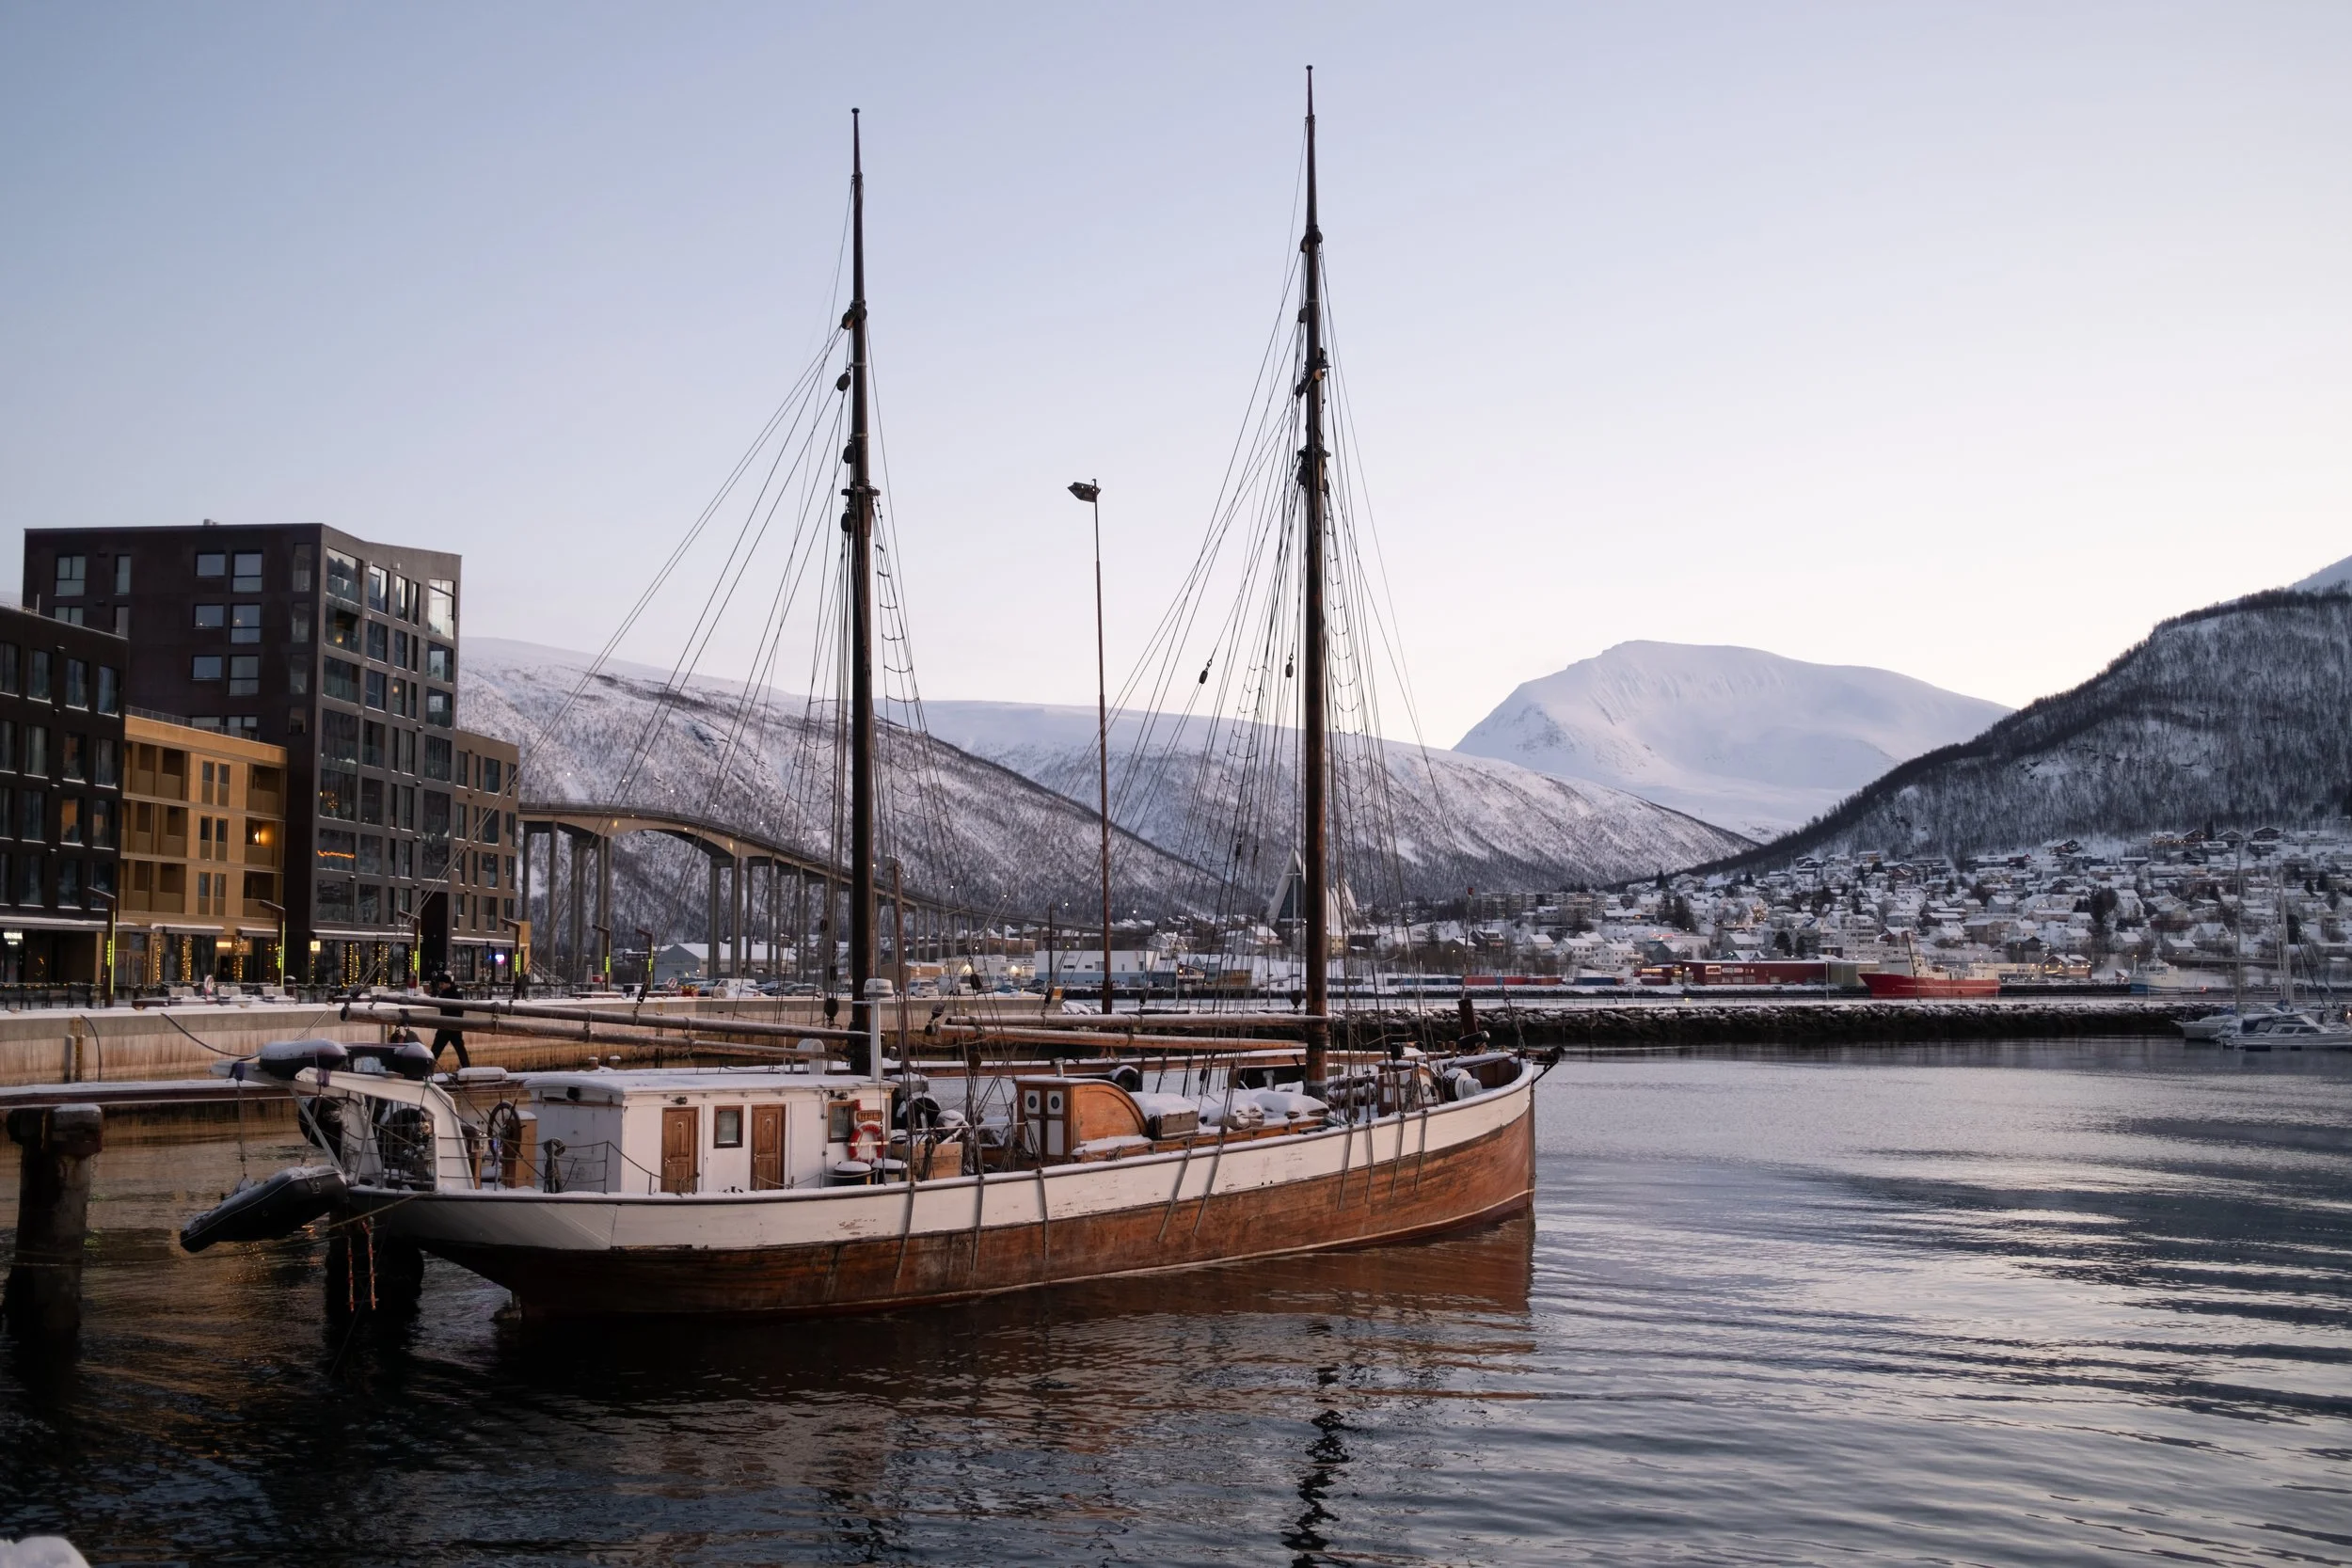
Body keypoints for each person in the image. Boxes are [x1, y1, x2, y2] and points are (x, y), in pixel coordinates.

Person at [428, 971, 470, 1070]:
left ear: (448, 984)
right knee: (460, 1050)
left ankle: (427, 1070)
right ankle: (467, 1069)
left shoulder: (447, 995)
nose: (440, 986)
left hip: (447, 1026)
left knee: (436, 1050)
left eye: (442, 984)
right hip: (454, 1026)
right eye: (440, 984)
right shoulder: (455, 994)